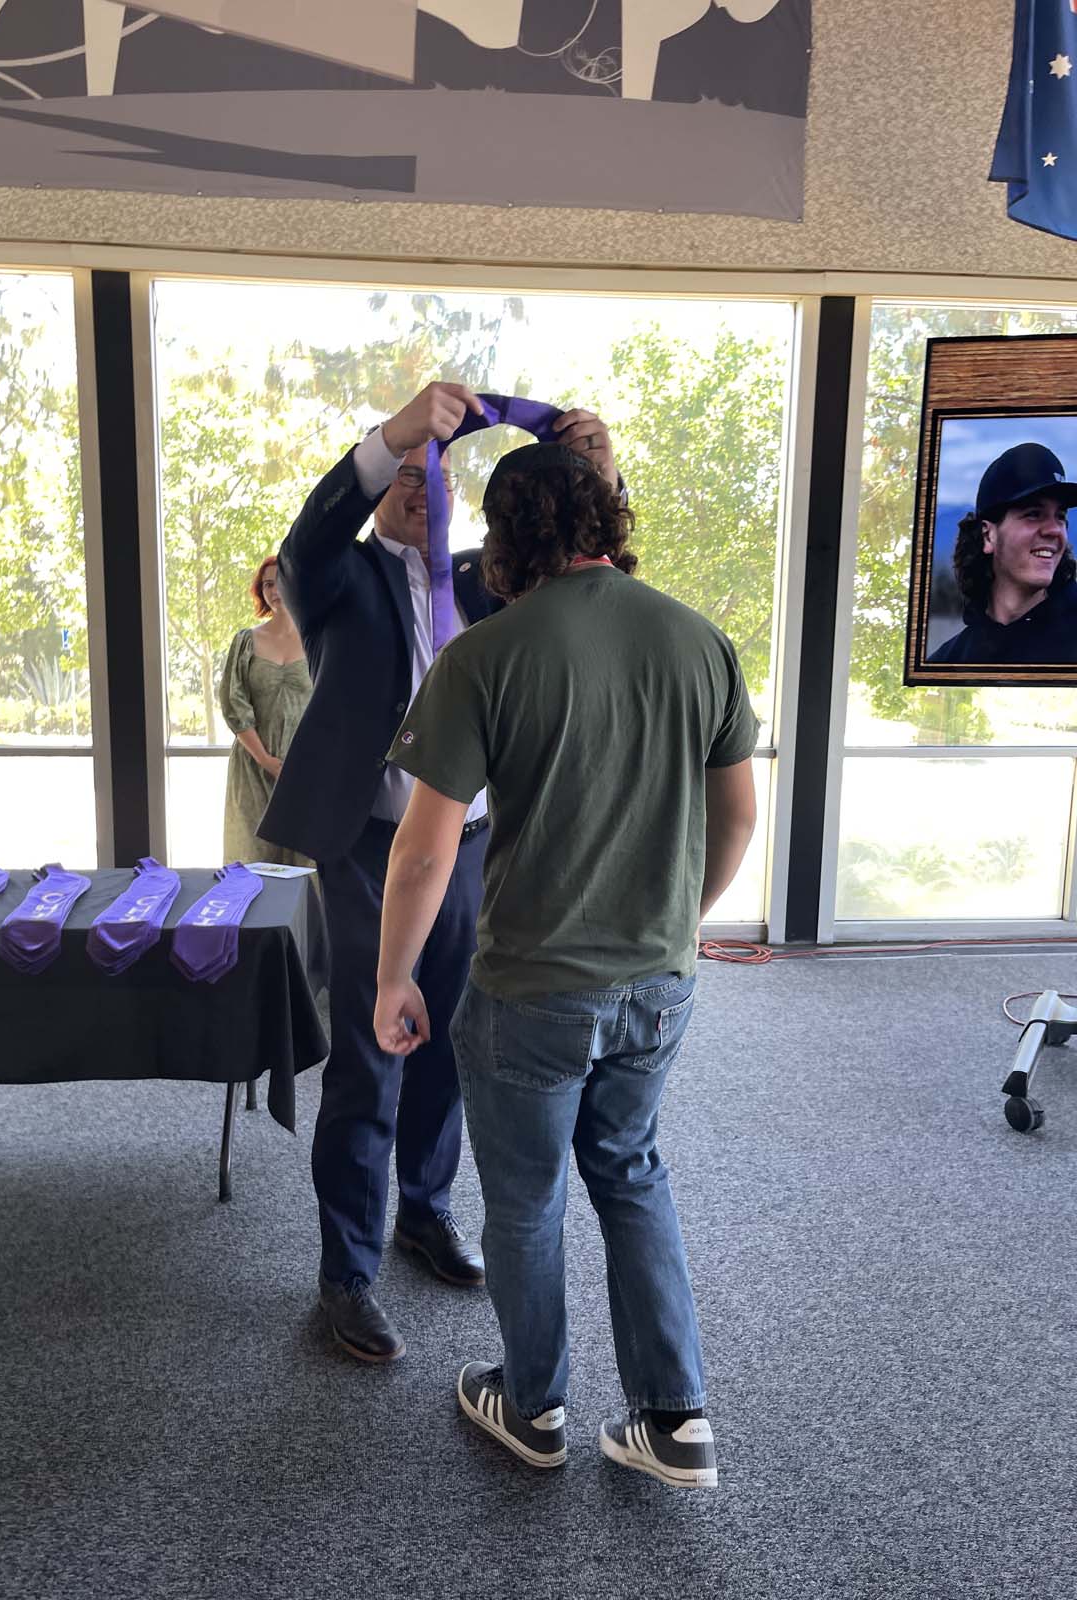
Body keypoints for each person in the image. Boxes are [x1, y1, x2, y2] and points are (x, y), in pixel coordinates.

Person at [373, 437, 758, 1489]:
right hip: (658, 983)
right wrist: (681, 918)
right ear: (608, 519)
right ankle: (675, 1419)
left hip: (533, 991)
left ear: (506, 537)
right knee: (629, 1171)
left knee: (528, 1197)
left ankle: (533, 1402)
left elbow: (422, 846)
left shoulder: (487, 655)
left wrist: (393, 975)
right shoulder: (699, 639)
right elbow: (737, 816)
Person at [257, 380, 620, 1364]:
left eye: (435, 469)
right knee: (371, 1056)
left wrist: (596, 467)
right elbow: (311, 529)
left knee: (451, 1042)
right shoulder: (336, 577)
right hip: (371, 848)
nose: (422, 482)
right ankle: (347, 1274)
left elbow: (588, 572)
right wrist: (396, 432)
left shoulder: (487, 578)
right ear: (384, 489)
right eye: (406, 472)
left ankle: (424, 1211)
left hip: (474, 849)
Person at [928, 442, 1077, 664]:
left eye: (1060, 516)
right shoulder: (950, 661)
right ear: (988, 536)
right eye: (1034, 514)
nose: (1055, 530)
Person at [218, 557, 314, 867]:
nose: (275, 590)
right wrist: (265, 760)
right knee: (251, 861)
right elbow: (234, 704)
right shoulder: (246, 641)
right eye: (268, 584)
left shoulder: (318, 640)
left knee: (304, 866)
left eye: (281, 581)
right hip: (253, 766)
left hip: (303, 769)